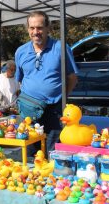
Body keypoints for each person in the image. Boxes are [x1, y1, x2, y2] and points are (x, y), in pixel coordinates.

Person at [15, 11, 78, 152]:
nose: (35, 32)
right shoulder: (21, 51)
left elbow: (72, 78)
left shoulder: (61, 48)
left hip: (54, 110)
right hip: (29, 111)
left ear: (48, 28)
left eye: (39, 27)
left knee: (52, 151)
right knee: (31, 151)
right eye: (32, 28)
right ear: (27, 29)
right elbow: (20, 80)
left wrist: (62, 99)